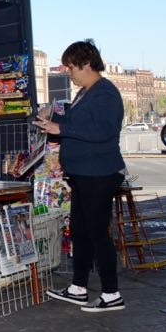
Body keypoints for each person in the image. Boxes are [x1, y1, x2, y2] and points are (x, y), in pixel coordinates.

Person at [35, 39, 126, 313]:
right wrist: (53, 121)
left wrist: (61, 129)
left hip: (99, 173)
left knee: (98, 233)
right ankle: (78, 287)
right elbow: (78, 125)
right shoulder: (85, 92)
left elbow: (103, 131)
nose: (69, 74)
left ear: (86, 64)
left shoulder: (105, 93)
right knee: (80, 232)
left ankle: (111, 294)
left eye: (71, 68)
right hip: (84, 174)